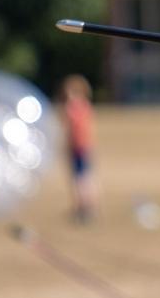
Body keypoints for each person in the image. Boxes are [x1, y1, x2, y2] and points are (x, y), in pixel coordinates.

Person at [62, 74, 98, 225]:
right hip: (86, 147)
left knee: (79, 179)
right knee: (86, 177)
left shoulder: (73, 108)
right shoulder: (86, 106)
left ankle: (83, 207)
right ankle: (87, 207)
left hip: (78, 148)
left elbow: (73, 130)